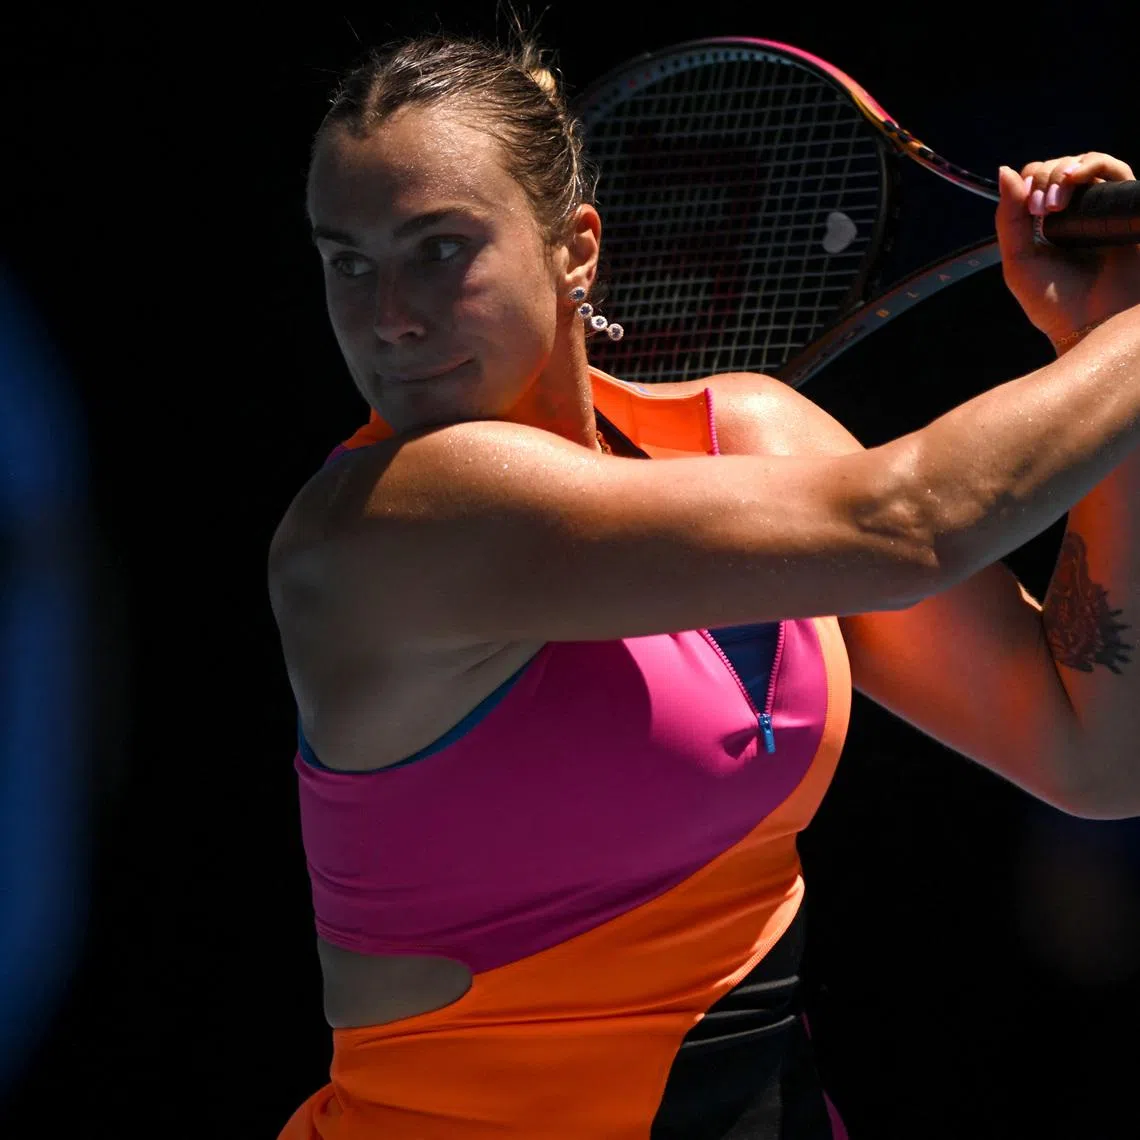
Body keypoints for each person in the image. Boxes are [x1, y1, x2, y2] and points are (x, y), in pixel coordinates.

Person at [269, 29, 1140, 1140]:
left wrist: (1107, 335)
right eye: (348, 261)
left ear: (576, 249)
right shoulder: (385, 529)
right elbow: (918, 521)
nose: (389, 312)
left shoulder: (752, 438)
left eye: (439, 249)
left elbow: (1092, 749)